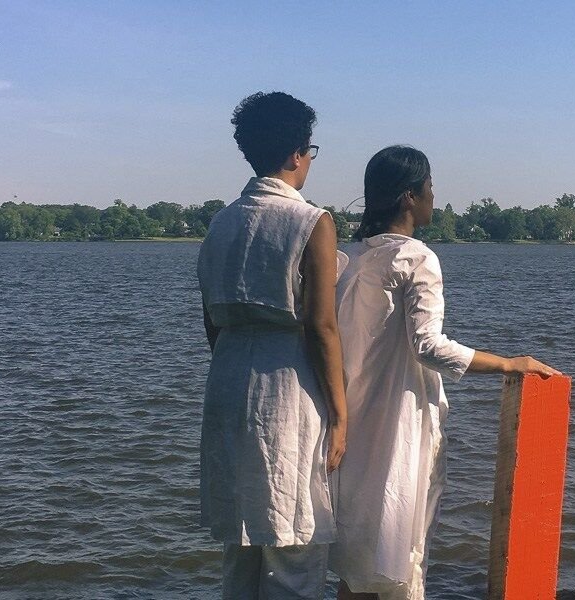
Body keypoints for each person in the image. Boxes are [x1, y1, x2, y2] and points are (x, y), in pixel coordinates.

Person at [330, 146, 560, 599]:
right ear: (409, 197)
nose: (436, 196)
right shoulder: (416, 258)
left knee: (354, 563)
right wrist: (510, 364)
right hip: (397, 426)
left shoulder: (346, 260)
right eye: (430, 186)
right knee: (400, 556)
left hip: (349, 426)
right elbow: (428, 346)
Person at [197, 91, 347, 599]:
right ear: (295, 154)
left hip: (228, 379)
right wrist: (341, 415)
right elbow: (322, 327)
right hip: (288, 384)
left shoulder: (220, 222)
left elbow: (211, 324)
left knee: (241, 547)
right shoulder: (311, 221)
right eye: (311, 151)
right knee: (295, 545)